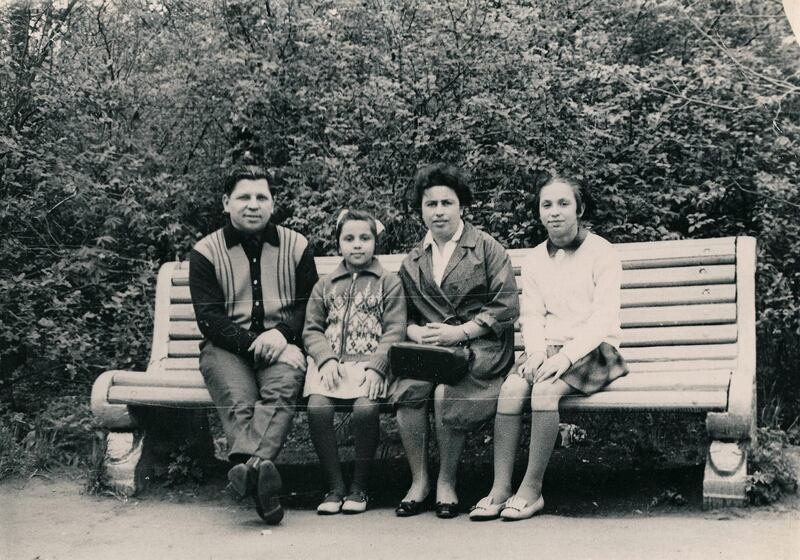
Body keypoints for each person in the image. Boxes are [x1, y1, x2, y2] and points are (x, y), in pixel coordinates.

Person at [469, 173, 629, 522]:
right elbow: (532, 313)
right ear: (539, 212)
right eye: (547, 205)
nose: (554, 212)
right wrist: (538, 352)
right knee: (511, 389)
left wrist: (567, 357)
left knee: (543, 391)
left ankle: (531, 489)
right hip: (549, 348)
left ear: (579, 208)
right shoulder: (537, 259)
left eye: (563, 203)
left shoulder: (602, 253)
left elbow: (602, 318)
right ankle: (499, 488)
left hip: (594, 348)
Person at [189, 164, 318, 524]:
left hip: (284, 346)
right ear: (226, 202)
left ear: (273, 203)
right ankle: (261, 473)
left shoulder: (297, 245)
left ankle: (251, 471)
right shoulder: (206, 251)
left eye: (262, 196)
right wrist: (256, 342)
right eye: (244, 196)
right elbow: (209, 319)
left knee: (282, 389)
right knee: (240, 401)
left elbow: (311, 304)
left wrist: (282, 336)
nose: (253, 204)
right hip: (226, 349)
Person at [390, 163, 520, 519]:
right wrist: (416, 333)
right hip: (433, 348)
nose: (439, 211)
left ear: (461, 205)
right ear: (421, 210)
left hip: (481, 346)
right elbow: (405, 316)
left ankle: (447, 481)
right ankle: (420, 482)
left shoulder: (486, 248)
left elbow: (507, 307)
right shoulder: (414, 259)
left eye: (447, 203)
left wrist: (460, 333)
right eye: (431, 204)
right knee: (409, 387)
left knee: (446, 390)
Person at [302, 209, 407, 515]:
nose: (357, 245)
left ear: (375, 242)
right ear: (339, 244)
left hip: (370, 365)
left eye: (364, 238)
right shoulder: (325, 284)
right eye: (349, 239)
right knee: (317, 408)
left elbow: (395, 329)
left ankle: (360, 487)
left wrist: (378, 365)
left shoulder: (388, 282)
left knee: (365, 409)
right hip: (331, 365)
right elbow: (311, 328)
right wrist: (324, 359)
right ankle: (334, 487)